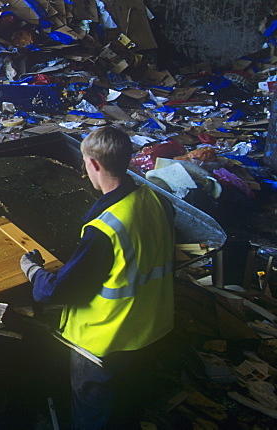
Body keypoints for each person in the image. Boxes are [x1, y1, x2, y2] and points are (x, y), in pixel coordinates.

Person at [20, 126, 175, 428]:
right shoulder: (156, 201)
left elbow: (57, 291)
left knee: (94, 418)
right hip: (150, 332)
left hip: (105, 345)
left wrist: (32, 270)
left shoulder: (104, 229)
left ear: (93, 164)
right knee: (128, 410)